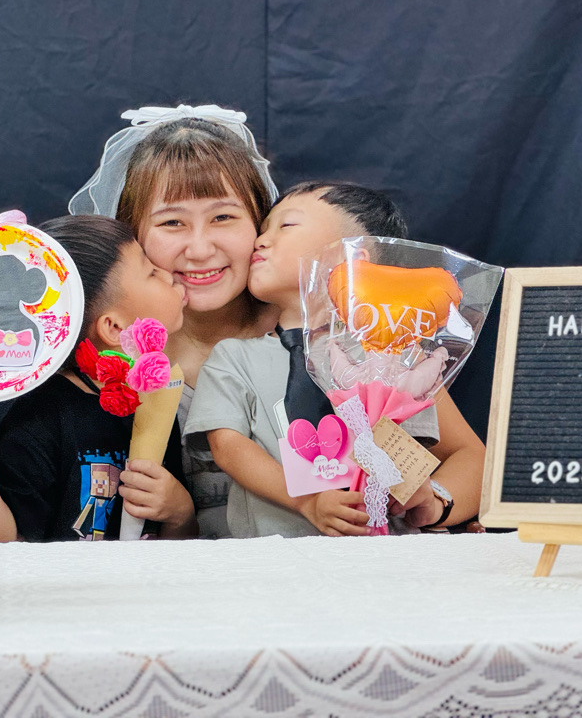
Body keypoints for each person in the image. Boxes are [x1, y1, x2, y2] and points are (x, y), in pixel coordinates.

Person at [183, 182, 487, 538]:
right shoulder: (234, 357)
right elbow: (228, 447)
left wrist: (432, 501)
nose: (260, 241)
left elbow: (422, 451)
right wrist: (307, 501)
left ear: (355, 258)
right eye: (263, 230)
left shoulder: (395, 357)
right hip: (274, 558)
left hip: (389, 555)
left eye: (286, 225)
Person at [0, 215, 196, 542]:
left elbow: (175, 547)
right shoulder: (41, 421)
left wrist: (181, 513)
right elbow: (0, 545)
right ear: (113, 327)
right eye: (150, 271)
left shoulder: (153, 398)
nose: (167, 272)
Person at [70, 104, 281, 537]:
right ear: (132, 233)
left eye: (223, 217)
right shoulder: (111, 355)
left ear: (260, 220)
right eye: (172, 222)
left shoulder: (304, 328)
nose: (200, 250)